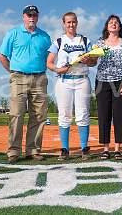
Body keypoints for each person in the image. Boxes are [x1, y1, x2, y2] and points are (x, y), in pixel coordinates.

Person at [0, 5, 51, 164]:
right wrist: (13, 72)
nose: (32, 18)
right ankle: (13, 151)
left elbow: (50, 58)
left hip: (40, 78)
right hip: (18, 77)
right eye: (29, 15)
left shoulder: (45, 36)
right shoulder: (13, 33)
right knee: (16, 114)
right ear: (23, 16)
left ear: (38, 17)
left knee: (39, 115)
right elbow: (2, 56)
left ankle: (33, 150)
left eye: (35, 15)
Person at [46, 12, 97, 161]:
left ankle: (84, 148)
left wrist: (89, 61)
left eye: (73, 22)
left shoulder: (85, 40)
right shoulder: (58, 41)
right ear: (64, 24)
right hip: (64, 81)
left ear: (77, 23)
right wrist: (57, 69)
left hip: (82, 80)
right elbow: (49, 63)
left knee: (82, 114)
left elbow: (94, 61)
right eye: (68, 22)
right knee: (64, 115)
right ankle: (65, 149)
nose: (71, 25)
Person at [95, 14, 122, 160]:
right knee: (104, 115)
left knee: (119, 115)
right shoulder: (100, 43)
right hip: (102, 81)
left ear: (119, 27)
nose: (113, 24)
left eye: (116, 22)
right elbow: (93, 60)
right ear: (106, 27)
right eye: (111, 22)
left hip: (120, 81)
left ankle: (117, 149)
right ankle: (105, 149)